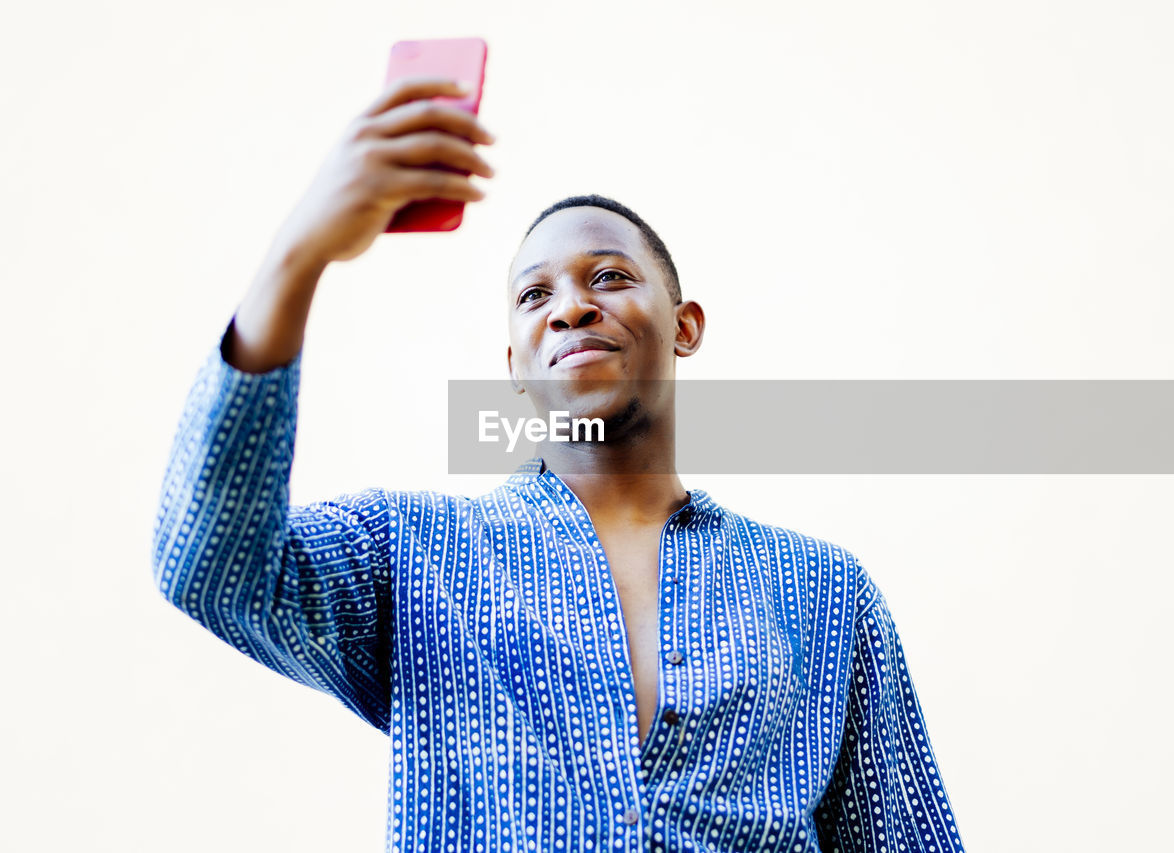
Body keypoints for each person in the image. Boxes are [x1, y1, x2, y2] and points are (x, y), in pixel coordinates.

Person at [152, 75, 967, 853]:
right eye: (535, 296)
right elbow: (209, 567)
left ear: (684, 325)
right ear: (515, 363)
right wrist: (299, 254)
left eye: (609, 276)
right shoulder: (414, 552)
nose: (572, 305)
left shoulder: (825, 592)